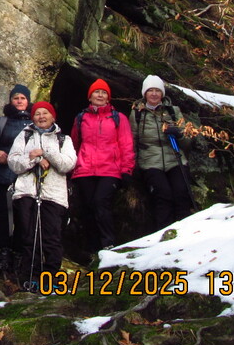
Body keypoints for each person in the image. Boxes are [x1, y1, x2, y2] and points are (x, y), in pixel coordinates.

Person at [7, 102, 77, 289]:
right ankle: (30, 277)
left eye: (45, 113)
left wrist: (47, 153)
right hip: (26, 192)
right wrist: (35, 159)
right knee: (28, 237)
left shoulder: (63, 139)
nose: (41, 116)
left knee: (51, 237)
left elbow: (68, 164)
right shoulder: (24, 135)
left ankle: (51, 277)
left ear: (53, 117)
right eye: (37, 113)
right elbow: (13, 162)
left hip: (54, 195)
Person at [71, 78, 135, 256]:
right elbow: (74, 144)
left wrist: (127, 170)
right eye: (96, 92)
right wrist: (72, 167)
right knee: (88, 207)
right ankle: (92, 248)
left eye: (104, 92)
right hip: (85, 169)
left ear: (108, 97)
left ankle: (108, 243)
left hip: (110, 169)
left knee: (101, 202)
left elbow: (126, 145)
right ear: (90, 96)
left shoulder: (118, 118)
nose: (100, 95)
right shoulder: (81, 118)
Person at [131, 75, 193, 230]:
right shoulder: (137, 114)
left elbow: (187, 142)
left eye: (157, 90)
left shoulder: (173, 111)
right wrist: (135, 166)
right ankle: (164, 233)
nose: (154, 94)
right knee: (163, 195)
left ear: (162, 93)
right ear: (144, 93)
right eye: (150, 90)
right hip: (150, 162)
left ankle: (185, 232)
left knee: (181, 193)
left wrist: (179, 134)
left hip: (175, 159)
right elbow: (132, 141)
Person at [0, 84, 31, 275]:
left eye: (22, 98)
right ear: (10, 101)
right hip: (3, 174)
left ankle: (19, 253)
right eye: (16, 98)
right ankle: (4, 251)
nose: (19, 101)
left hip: (25, 176)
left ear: (28, 101)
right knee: (4, 215)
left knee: (23, 215)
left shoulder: (34, 123)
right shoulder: (2, 121)